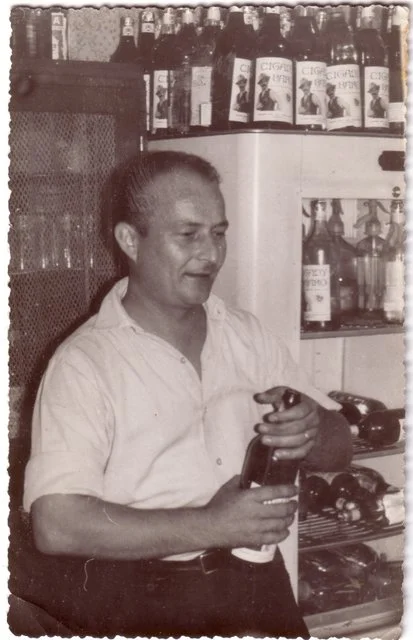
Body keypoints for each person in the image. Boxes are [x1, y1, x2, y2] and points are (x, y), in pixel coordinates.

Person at [23, 150, 353, 638]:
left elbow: (340, 450)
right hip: (142, 599)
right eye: (188, 235)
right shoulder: (84, 362)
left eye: (218, 233)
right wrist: (211, 525)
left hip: (259, 585)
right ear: (130, 240)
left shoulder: (246, 334)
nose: (212, 254)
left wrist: (312, 427)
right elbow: (56, 525)